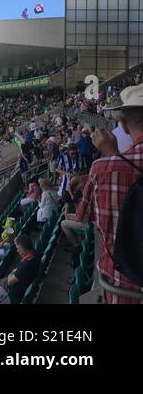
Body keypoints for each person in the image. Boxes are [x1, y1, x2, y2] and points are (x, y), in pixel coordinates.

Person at [78, 86, 143, 303]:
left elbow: (83, 216)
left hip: (124, 288)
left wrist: (111, 157)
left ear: (123, 125)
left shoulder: (103, 168)